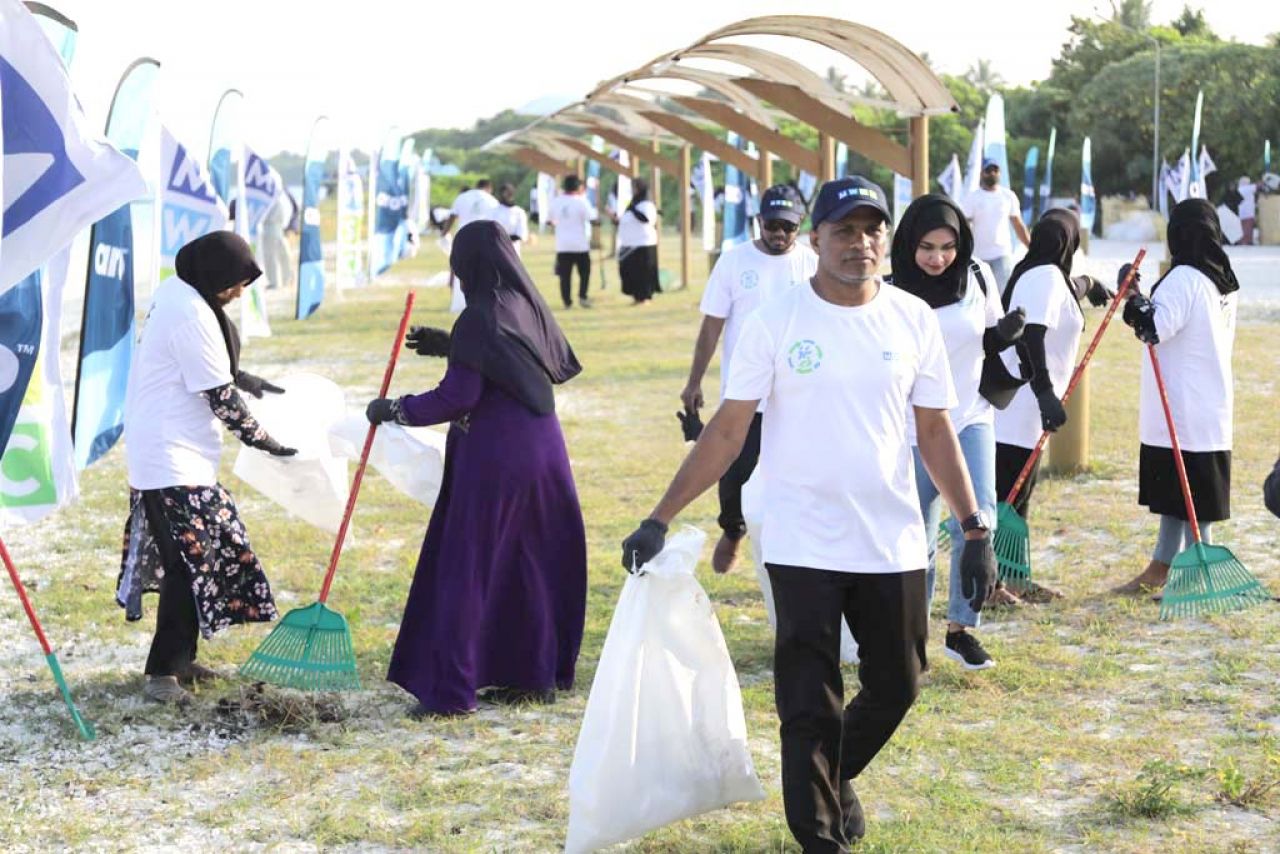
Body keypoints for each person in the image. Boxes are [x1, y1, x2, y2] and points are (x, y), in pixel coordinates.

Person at [623, 176, 998, 851]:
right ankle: (819, 836)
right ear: (817, 238)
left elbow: (936, 431)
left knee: (899, 684)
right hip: (801, 539)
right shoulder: (778, 320)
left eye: (872, 229)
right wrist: (659, 515)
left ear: (888, 238)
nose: (861, 243)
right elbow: (728, 432)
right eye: (846, 230)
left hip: (891, 538)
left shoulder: (913, 319)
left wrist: (974, 527)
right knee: (807, 705)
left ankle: (832, 774)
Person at [368, 220, 587, 717]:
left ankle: (451, 691)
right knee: (526, 563)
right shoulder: (523, 304)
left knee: (468, 567)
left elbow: (458, 397)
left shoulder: (478, 317)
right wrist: (453, 345)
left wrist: (395, 409)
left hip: (497, 456)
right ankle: (532, 675)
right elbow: (512, 360)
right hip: (543, 451)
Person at [117, 231, 295, 704]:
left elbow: (206, 368)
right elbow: (219, 395)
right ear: (212, 275)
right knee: (186, 564)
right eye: (235, 283)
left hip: (182, 455)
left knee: (203, 557)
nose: (239, 292)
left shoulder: (181, 294)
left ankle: (181, 659)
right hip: (169, 457)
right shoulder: (189, 311)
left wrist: (248, 381)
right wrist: (266, 442)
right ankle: (161, 674)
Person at [889, 194, 1026, 670]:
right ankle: (911, 636)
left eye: (947, 246)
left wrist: (1004, 335)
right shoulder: (887, 291)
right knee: (916, 534)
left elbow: (985, 334)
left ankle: (961, 630)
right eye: (926, 246)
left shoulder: (979, 276)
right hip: (912, 430)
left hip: (971, 415)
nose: (937, 257)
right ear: (908, 244)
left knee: (976, 520)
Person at [681, 184, 817, 574]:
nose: (779, 234)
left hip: (797, 393)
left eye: (787, 228)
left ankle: (791, 543)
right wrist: (693, 383)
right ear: (759, 222)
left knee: (794, 470)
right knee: (735, 469)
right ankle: (734, 528)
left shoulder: (811, 264)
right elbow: (711, 327)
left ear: (800, 228)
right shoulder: (734, 262)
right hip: (745, 391)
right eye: (772, 225)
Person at [1112, 199, 1239, 593]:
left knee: (1192, 494)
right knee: (1179, 493)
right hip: (1206, 401)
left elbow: (1154, 326)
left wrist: (1131, 300)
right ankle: (1160, 567)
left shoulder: (1185, 277)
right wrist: (1136, 293)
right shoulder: (1225, 280)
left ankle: (1200, 575)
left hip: (1182, 407)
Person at [993, 210, 1086, 522]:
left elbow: (1060, 294)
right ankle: (994, 570)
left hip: (1026, 411)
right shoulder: (1046, 276)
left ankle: (1013, 572)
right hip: (1020, 409)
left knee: (1016, 504)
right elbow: (1031, 335)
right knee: (1009, 503)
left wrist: (1088, 284)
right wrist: (1045, 393)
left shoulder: (1044, 273)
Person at [962, 159, 1031, 293]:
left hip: (1002, 253)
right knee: (980, 293)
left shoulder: (1008, 196)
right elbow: (964, 226)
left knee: (1004, 292)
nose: (992, 173)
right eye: (988, 171)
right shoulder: (973, 197)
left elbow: (1018, 224)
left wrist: (1031, 247)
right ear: (982, 173)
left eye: (995, 170)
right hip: (979, 255)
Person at [549, 175, 598, 309]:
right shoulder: (582, 202)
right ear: (578, 187)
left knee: (565, 276)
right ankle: (582, 297)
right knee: (584, 273)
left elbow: (550, 220)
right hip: (580, 245)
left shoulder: (556, 201)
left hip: (562, 245)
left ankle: (567, 302)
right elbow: (592, 219)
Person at [616, 178, 660, 305]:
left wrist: (633, 209)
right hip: (629, 244)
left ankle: (644, 297)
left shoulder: (647, 204)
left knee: (643, 273)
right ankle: (636, 296)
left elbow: (645, 218)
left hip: (643, 244)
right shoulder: (632, 204)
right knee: (630, 272)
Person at [490, 182, 530, 256]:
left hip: (513, 251)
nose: (506, 196)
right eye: (504, 193)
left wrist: (504, 238)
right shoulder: (493, 211)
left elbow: (521, 234)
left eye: (508, 193)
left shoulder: (519, 212)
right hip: (497, 250)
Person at [1237, 176, 1257, 246]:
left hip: (1242, 212)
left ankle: (1244, 241)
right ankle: (1247, 241)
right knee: (1248, 228)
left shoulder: (1239, 189)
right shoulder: (1247, 188)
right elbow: (1258, 186)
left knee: (1243, 228)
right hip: (1248, 212)